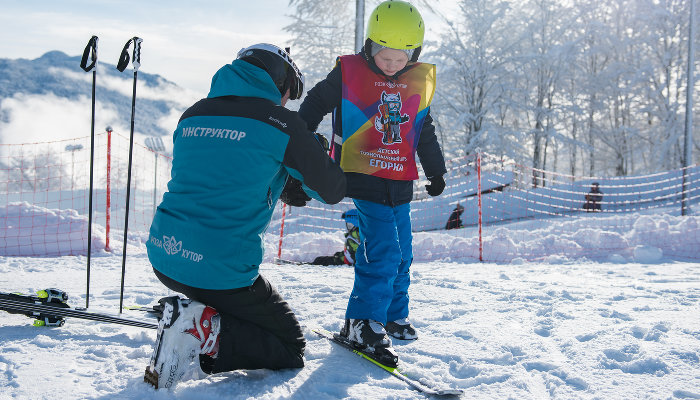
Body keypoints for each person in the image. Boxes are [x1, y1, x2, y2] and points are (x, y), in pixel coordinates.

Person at [144, 43, 346, 390]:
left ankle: (194, 315)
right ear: (280, 81)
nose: (286, 101)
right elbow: (331, 189)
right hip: (220, 270)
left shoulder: (192, 114)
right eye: (289, 93)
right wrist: (323, 149)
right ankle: (202, 331)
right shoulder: (281, 122)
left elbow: (230, 170)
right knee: (290, 345)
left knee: (226, 292)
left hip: (165, 256)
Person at [298, 0, 447, 359]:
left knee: (403, 252)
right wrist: (302, 140)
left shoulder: (414, 83)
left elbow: (422, 129)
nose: (393, 65)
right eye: (385, 56)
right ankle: (362, 321)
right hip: (363, 176)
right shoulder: (349, 73)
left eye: (402, 57)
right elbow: (316, 102)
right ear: (370, 46)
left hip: (399, 183)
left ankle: (392, 316)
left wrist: (436, 170)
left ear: (415, 52)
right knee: (383, 250)